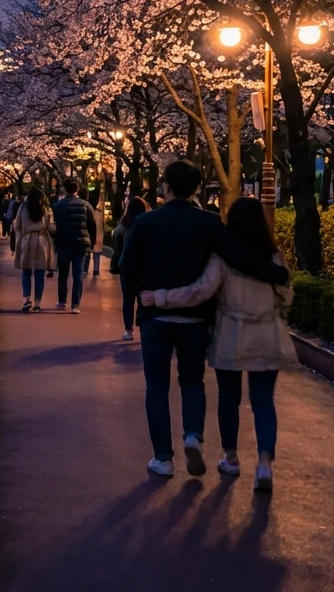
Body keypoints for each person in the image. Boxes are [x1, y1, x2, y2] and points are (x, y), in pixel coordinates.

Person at [119, 162, 291, 479]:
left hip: (155, 317)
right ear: (197, 189)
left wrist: (140, 296)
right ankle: (192, 436)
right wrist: (277, 272)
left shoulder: (145, 222)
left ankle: (163, 458)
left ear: (166, 187)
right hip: (195, 321)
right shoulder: (209, 224)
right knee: (191, 381)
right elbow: (238, 256)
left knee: (156, 386)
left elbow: (125, 267)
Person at [51, 179, 96, 313]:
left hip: (63, 243)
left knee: (63, 274)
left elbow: (54, 226)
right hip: (81, 244)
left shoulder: (58, 206)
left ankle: (62, 302)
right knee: (78, 274)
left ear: (65, 189)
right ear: (77, 189)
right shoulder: (86, 205)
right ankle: (75, 304)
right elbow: (92, 226)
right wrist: (91, 244)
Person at [109, 196, 149, 341]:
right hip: (145, 268)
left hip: (127, 267)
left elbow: (116, 248)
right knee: (143, 298)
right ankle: (142, 325)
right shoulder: (149, 225)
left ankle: (128, 330)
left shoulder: (122, 227)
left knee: (128, 299)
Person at [13, 188, 54, 312]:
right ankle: (38, 303)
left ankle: (26, 299)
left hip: (27, 240)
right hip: (42, 241)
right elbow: (51, 227)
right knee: (40, 273)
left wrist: (20, 237)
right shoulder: (46, 210)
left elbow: (17, 226)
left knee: (26, 271)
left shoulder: (23, 208)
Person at [84, 193, 106, 276]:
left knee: (87, 253)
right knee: (97, 254)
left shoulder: (87, 212)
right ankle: (96, 269)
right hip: (98, 236)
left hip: (89, 236)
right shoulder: (99, 213)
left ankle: (85, 269)